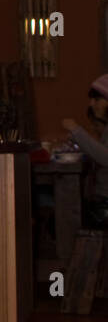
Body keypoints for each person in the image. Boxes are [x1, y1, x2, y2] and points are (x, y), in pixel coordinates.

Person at [63, 73, 108, 226]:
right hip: (101, 200)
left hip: (105, 204)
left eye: (96, 99)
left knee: (65, 218)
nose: (91, 104)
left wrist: (76, 131)